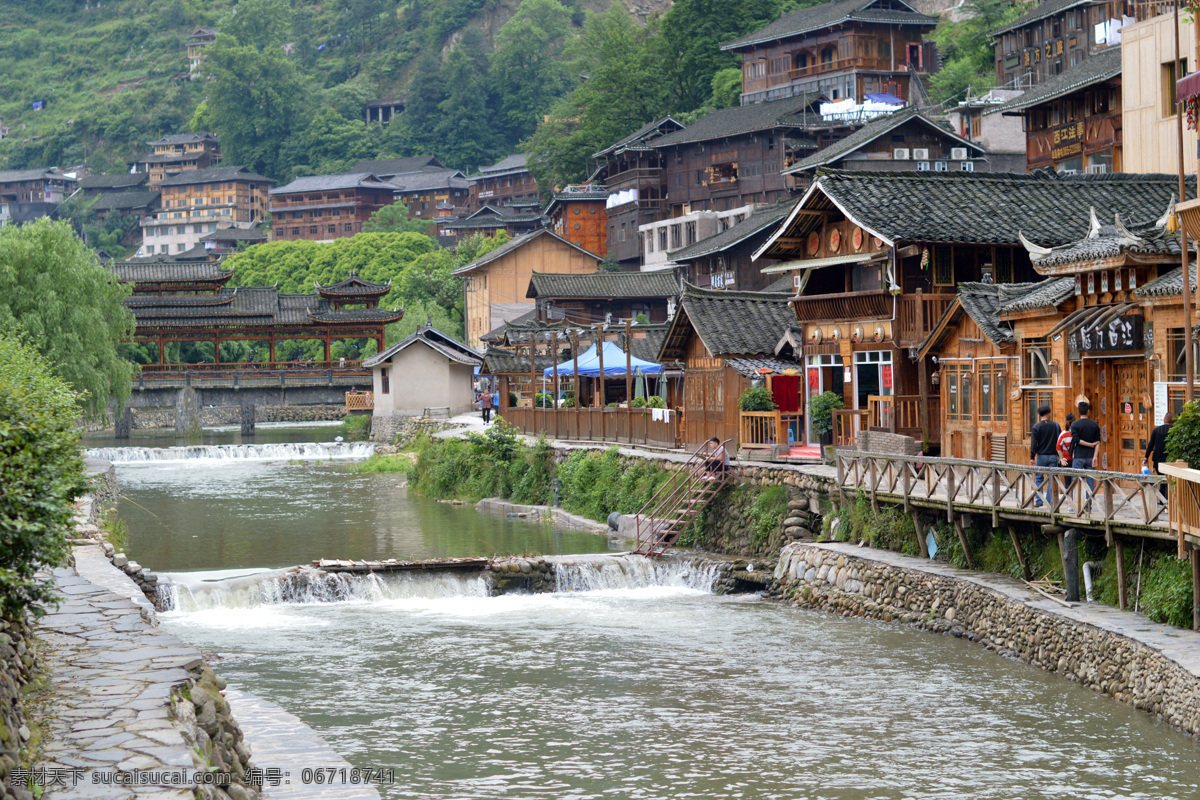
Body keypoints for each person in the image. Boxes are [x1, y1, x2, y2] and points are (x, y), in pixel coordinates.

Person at [1069, 401, 1102, 513]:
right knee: (1090, 481)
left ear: (1078, 411)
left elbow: (1077, 440)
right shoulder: (1095, 425)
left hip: (1078, 456)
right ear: (1088, 411)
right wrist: (1095, 456)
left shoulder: (1074, 425)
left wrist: (1088, 444)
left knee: (1076, 481)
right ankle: (1088, 506)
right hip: (1090, 456)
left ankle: (1076, 505)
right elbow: (1097, 442)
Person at [1030, 405, 1061, 508]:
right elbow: (1059, 441)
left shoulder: (1036, 427)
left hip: (1041, 456)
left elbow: (1034, 444)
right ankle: (1049, 501)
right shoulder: (1055, 426)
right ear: (1048, 413)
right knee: (1051, 478)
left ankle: (1039, 500)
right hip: (1053, 456)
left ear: (1039, 415)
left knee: (1039, 478)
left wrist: (1032, 457)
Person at [1145, 412, 1176, 499]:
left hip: (1158, 459)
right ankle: (1167, 502)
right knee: (1169, 480)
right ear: (1173, 421)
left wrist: (1146, 457)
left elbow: (1150, 445)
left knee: (1162, 480)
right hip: (1170, 458)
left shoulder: (1156, 430)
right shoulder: (1174, 430)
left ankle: (1163, 501)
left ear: (1164, 420)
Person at [1056, 413, 1076, 490]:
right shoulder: (1076, 433)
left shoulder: (1063, 434)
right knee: (1076, 480)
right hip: (1076, 458)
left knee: (1067, 481)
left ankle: (1069, 501)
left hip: (1066, 459)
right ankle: (1075, 499)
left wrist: (1061, 458)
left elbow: (1058, 447)